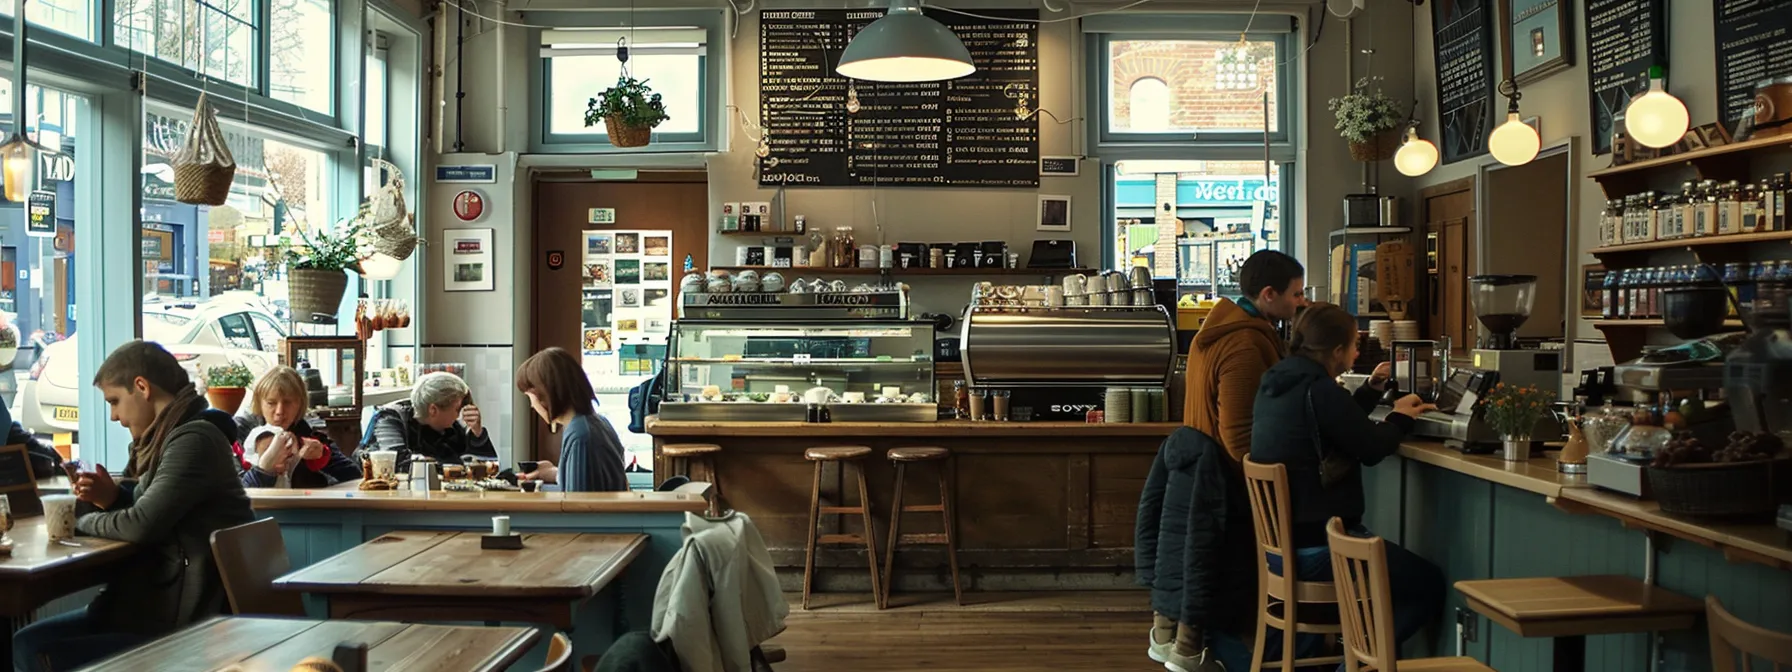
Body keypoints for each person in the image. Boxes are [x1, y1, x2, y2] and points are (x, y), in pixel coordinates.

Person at [12, 341, 254, 671]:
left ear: (141, 387)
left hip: (186, 624)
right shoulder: (169, 437)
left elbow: (141, 525)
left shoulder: (194, 440)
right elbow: (155, 505)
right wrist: (113, 499)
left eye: (114, 401)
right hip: (163, 604)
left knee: (35, 650)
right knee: (25, 641)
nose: (113, 416)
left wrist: (75, 520)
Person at [1249, 303, 1444, 649]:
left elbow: (1337, 422)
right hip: (1322, 548)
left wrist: (1369, 390)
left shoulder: (1277, 383)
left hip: (1281, 549)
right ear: (1337, 351)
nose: (1357, 350)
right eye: (1354, 344)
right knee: (1427, 585)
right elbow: (1370, 449)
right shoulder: (1321, 391)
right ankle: (1358, 663)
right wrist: (1400, 417)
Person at [1146, 249, 1307, 670]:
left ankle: (1177, 645)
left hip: (1195, 464)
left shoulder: (1220, 328)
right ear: (1268, 294)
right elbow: (1238, 436)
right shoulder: (1245, 342)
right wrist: (1271, 485)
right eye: (1295, 293)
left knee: (1188, 572)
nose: (1301, 302)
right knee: (1220, 579)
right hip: (1220, 478)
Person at [514, 347, 628, 492]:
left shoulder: (580, 435)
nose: (532, 405)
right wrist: (554, 473)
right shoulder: (597, 422)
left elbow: (576, 504)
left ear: (544, 396)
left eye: (530, 397)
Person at [236, 366, 361, 488]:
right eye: (271, 403)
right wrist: (265, 469)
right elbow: (231, 492)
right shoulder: (239, 432)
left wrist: (323, 456)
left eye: (288, 402)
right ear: (259, 402)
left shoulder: (304, 430)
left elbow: (354, 475)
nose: (279, 411)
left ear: (300, 403)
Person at [360, 371, 496, 470]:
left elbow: (486, 464)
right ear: (433, 410)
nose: (459, 415)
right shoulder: (390, 419)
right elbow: (398, 462)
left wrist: (476, 433)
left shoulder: (449, 428)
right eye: (457, 409)